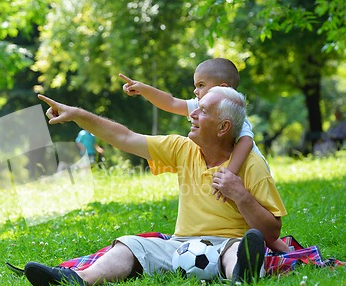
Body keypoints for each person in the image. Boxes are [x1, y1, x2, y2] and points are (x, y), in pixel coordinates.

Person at [23, 86, 288, 286]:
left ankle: (243, 273)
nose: (192, 114)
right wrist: (78, 115)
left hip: (227, 244)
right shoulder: (182, 148)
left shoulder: (252, 166)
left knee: (235, 251)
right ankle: (76, 279)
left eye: (203, 110)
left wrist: (240, 195)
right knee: (130, 245)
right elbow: (125, 137)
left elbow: (272, 231)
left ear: (223, 127)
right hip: (179, 247)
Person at [120, 58, 289, 253]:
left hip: (244, 170)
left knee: (253, 221)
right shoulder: (201, 106)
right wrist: (143, 89)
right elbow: (171, 102)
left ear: (222, 87)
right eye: (195, 86)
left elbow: (246, 142)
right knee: (242, 219)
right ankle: (274, 249)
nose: (195, 91)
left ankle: (284, 251)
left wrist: (229, 174)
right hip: (227, 172)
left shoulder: (231, 113)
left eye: (201, 85)